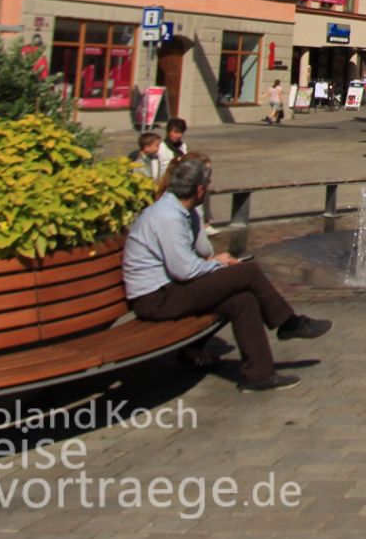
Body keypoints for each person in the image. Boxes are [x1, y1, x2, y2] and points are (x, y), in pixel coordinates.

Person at [122, 156, 331, 392]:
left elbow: (204, 250)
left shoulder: (182, 211)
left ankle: (258, 375)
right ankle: (288, 322)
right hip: (155, 298)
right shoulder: (167, 216)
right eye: (207, 186)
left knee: (242, 300)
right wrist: (218, 264)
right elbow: (184, 270)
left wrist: (196, 219)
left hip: (169, 290)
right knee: (248, 272)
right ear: (200, 189)